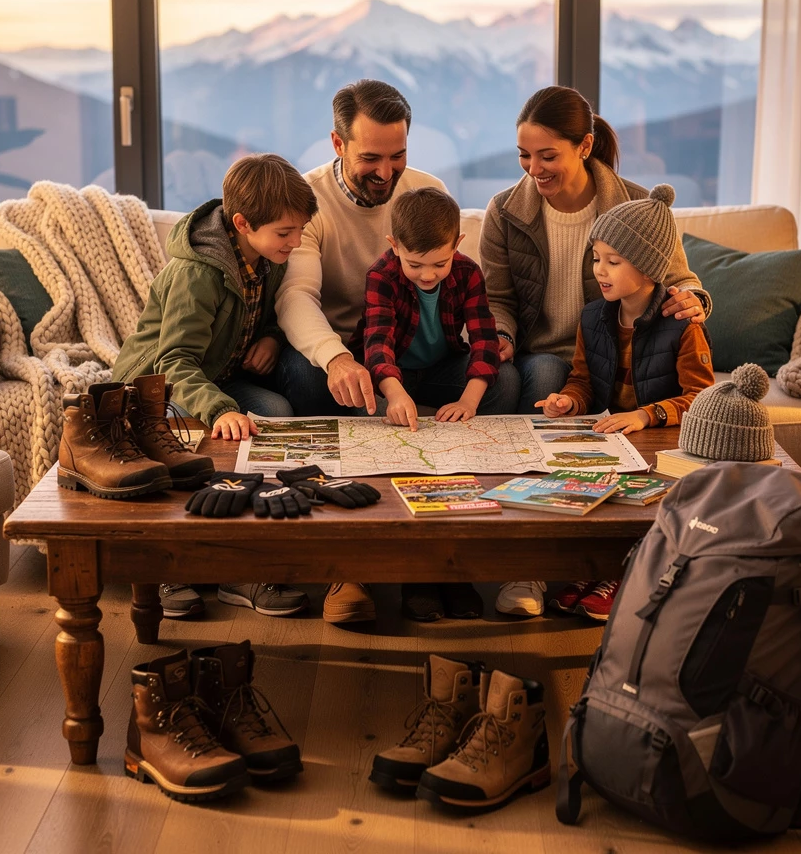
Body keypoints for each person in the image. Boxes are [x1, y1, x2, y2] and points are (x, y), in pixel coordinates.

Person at [480, 85, 711, 617]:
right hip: (541, 350)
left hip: (603, 352)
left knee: (541, 382)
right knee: (520, 377)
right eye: (524, 156)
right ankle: (503, 546)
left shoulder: (634, 207)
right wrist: (502, 337)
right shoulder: (505, 211)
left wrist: (692, 303)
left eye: (547, 156)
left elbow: (680, 279)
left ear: (585, 146)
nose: (533, 169)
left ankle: (531, 568)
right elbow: (497, 298)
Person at [274, 79, 475, 625]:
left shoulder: (427, 192)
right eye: (370, 158)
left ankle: (453, 555)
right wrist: (337, 357)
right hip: (338, 352)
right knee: (310, 380)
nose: (387, 172)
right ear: (337, 145)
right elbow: (296, 295)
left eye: (398, 155)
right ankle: (349, 564)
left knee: (501, 384)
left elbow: (461, 287)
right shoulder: (309, 200)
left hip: (413, 354)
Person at [113, 152, 318, 620]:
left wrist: (269, 336)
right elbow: (173, 359)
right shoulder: (197, 273)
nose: (296, 241)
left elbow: (267, 315)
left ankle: (240, 569)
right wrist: (219, 408)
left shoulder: (270, 257)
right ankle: (173, 567)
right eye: (286, 233)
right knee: (184, 436)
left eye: (300, 230)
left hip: (216, 379)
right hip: (154, 388)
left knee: (275, 414)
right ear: (243, 223)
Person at [535, 183, 715, 622]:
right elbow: (583, 380)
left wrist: (644, 414)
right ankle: (587, 571)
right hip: (611, 435)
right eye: (597, 258)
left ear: (651, 267)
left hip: (661, 441)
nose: (601, 270)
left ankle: (621, 576)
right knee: (574, 487)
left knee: (639, 502)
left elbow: (702, 399)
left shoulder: (681, 322)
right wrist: (568, 402)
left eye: (614, 261)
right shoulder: (594, 316)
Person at [347, 187, 512, 622]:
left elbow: (483, 340)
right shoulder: (381, 275)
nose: (427, 275)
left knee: (505, 381)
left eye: (439, 264)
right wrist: (395, 392)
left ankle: (456, 573)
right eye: (415, 264)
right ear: (394, 246)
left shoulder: (468, 272)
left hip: (442, 373)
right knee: (375, 411)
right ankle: (418, 575)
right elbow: (377, 344)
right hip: (393, 378)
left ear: (457, 245)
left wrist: (470, 399)